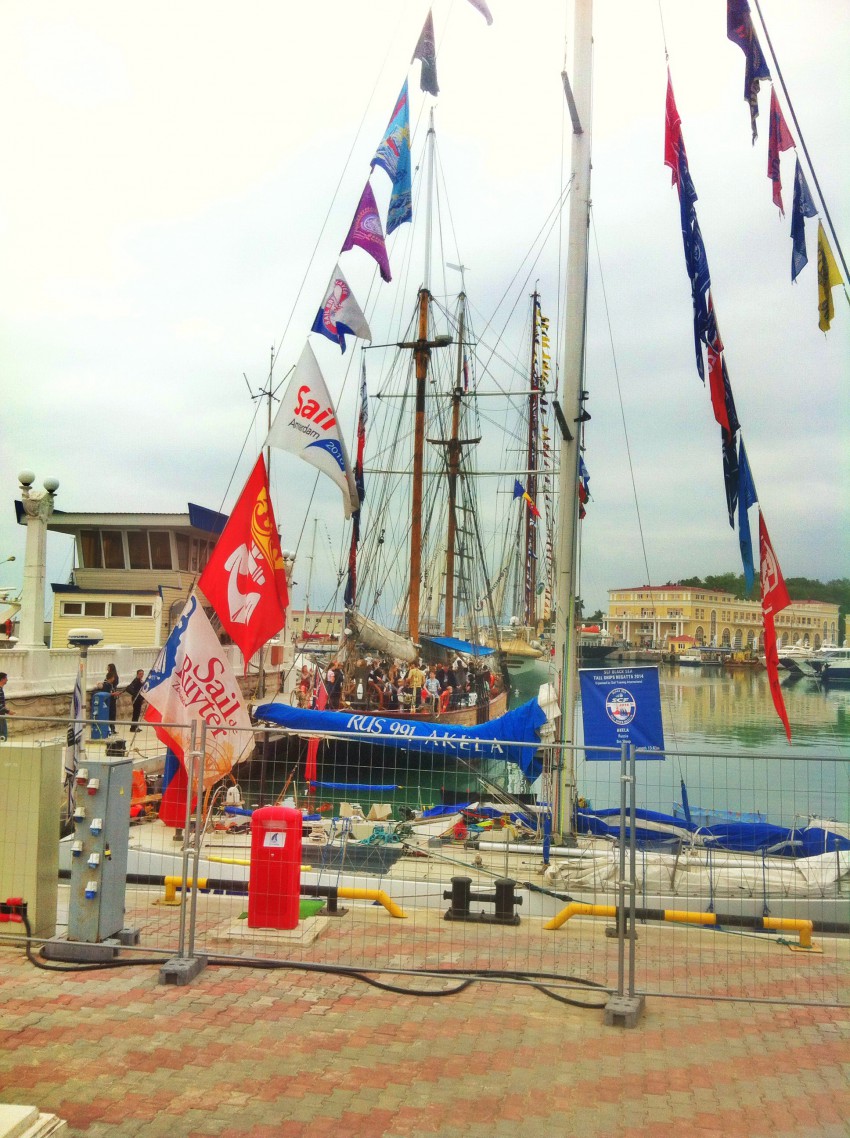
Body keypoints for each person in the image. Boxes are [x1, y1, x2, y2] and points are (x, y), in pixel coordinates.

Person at [101, 663, 120, 734]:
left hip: (112, 700)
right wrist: (114, 693)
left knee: (112, 714)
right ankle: (110, 728)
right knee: (110, 714)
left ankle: (112, 728)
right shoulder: (107, 684)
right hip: (110, 700)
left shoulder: (111, 683)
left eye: (108, 667)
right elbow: (107, 693)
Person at [0, 673, 11, 741]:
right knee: (3, 734)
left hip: (2, 714)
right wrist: (7, 711)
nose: (7, 680)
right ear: (2, 679)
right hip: (0, 715)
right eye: (6, 678)